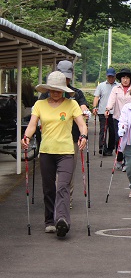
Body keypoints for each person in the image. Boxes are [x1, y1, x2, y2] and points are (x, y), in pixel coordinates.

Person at [22, 71, 88, 238]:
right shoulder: (40, 105)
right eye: (53, 89)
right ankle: (49, 221)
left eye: (59, 89)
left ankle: (62, 220)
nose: (56, 93)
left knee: (63, 186)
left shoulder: (72, 104)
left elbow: (82, 125)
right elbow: (32, 125)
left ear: (64, 89)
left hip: (66, 152)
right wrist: (26, 137)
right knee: (48, 188)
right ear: (48, 89)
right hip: (46, 152)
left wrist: (84, 136)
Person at [38, 60, 90, 209]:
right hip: (50, 140)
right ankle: (54, 201)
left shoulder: (76, 93)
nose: (66, 80)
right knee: (50, 176)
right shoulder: (45, 96)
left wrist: (84, 114)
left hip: (71, 138)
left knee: (67, 175)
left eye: (68, 77)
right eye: (63, 76)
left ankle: (66, 201)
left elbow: (83, 107)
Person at [105, 68, 131, 171]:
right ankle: (119, 158)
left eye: (127, 78)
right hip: (118, 118)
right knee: (119, 140)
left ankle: (127, 162)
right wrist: (108, 108)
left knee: (128, 141)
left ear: (130, 79)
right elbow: (111, 100)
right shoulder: (116, 89)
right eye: (123, 77)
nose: (125, 80)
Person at [92, 67, 117, 156]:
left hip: (114, 112)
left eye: (112, 76)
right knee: (103, 130)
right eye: (109, 76)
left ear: (115, 76)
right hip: (102, 111)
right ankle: (102, 148)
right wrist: (94, 107)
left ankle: (110, 148)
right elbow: (96, 97)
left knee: (113, 131)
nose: (110, 78)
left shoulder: (118, 86)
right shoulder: (101, 85)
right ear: (106, 76)